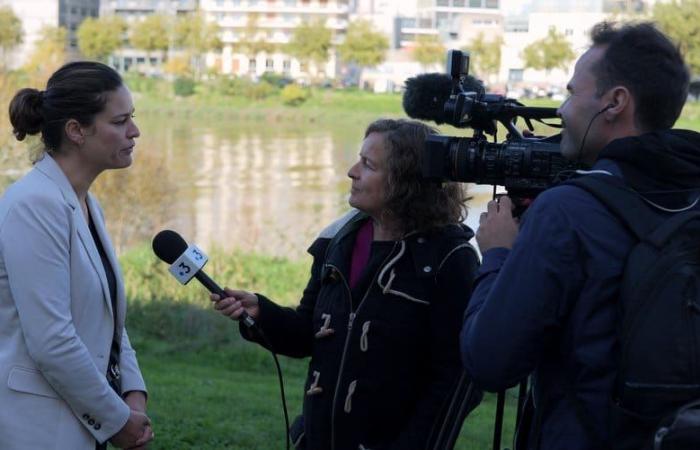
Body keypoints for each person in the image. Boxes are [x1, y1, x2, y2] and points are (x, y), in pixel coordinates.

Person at [460, 21, 700, 450]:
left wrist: (497, 254)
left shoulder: (568, 212)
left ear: (615, 102)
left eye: (571, 93)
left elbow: (489, 360)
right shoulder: (691, 197)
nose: (562, 111)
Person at [212, 118, 481, 450]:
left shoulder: (450, 258)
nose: (352, 171)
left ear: (405, 181)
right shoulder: (337, 239)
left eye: (368, 165)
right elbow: (307, 335)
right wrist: (261, 312)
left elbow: (458, 379)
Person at [0, 62, 153, 450]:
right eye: (120, 122)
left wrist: (133, 391)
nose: (134, 132)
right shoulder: (33, 205)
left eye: (131, 118)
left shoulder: (85, 203)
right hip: (36, 430)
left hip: (78, 422)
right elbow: (52, 340)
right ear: (76, 131)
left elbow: (105, 317)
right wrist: (117, 421)